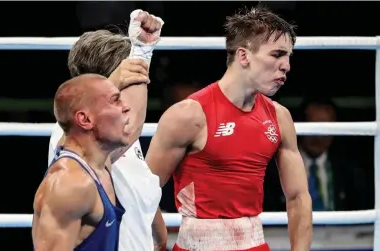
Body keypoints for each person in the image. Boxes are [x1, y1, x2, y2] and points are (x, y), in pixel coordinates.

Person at [147, 6, 312, 251]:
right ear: (244, 56)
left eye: (288, 56)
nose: (286, 66)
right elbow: (143, 192)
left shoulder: (279, 117)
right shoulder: (189, 115)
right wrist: (159, 243)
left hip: (255, 244)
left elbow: (298, 197)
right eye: (277, 54)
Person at [48, 10, 168, 251]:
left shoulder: (116, 127)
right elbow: (131, 127)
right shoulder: (75, 133)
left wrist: (158, 235)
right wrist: (142, 52)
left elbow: (138, 183)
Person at [33, 74, 130, 251]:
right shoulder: (70, 183)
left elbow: (136, 120)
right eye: (115, 101)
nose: (126, 107)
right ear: (85, 119)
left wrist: (141, 53)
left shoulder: (98, 166)